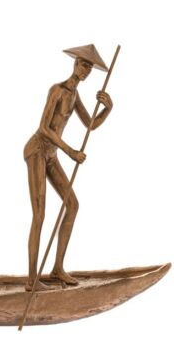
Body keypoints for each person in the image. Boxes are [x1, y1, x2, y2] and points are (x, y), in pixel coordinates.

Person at [24, 44, 113, 290]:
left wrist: (108, 109)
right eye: (83, 65)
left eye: (90, 68)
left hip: (51, 154)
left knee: (72, 205)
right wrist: (70, 151)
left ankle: (57, 268)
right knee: (39, 214)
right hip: (37, 150)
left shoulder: (74, 96)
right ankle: (31, 280)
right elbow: (44, 127)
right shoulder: (58, 90)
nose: (86, 71)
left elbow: (90, 125)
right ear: (75, 64)